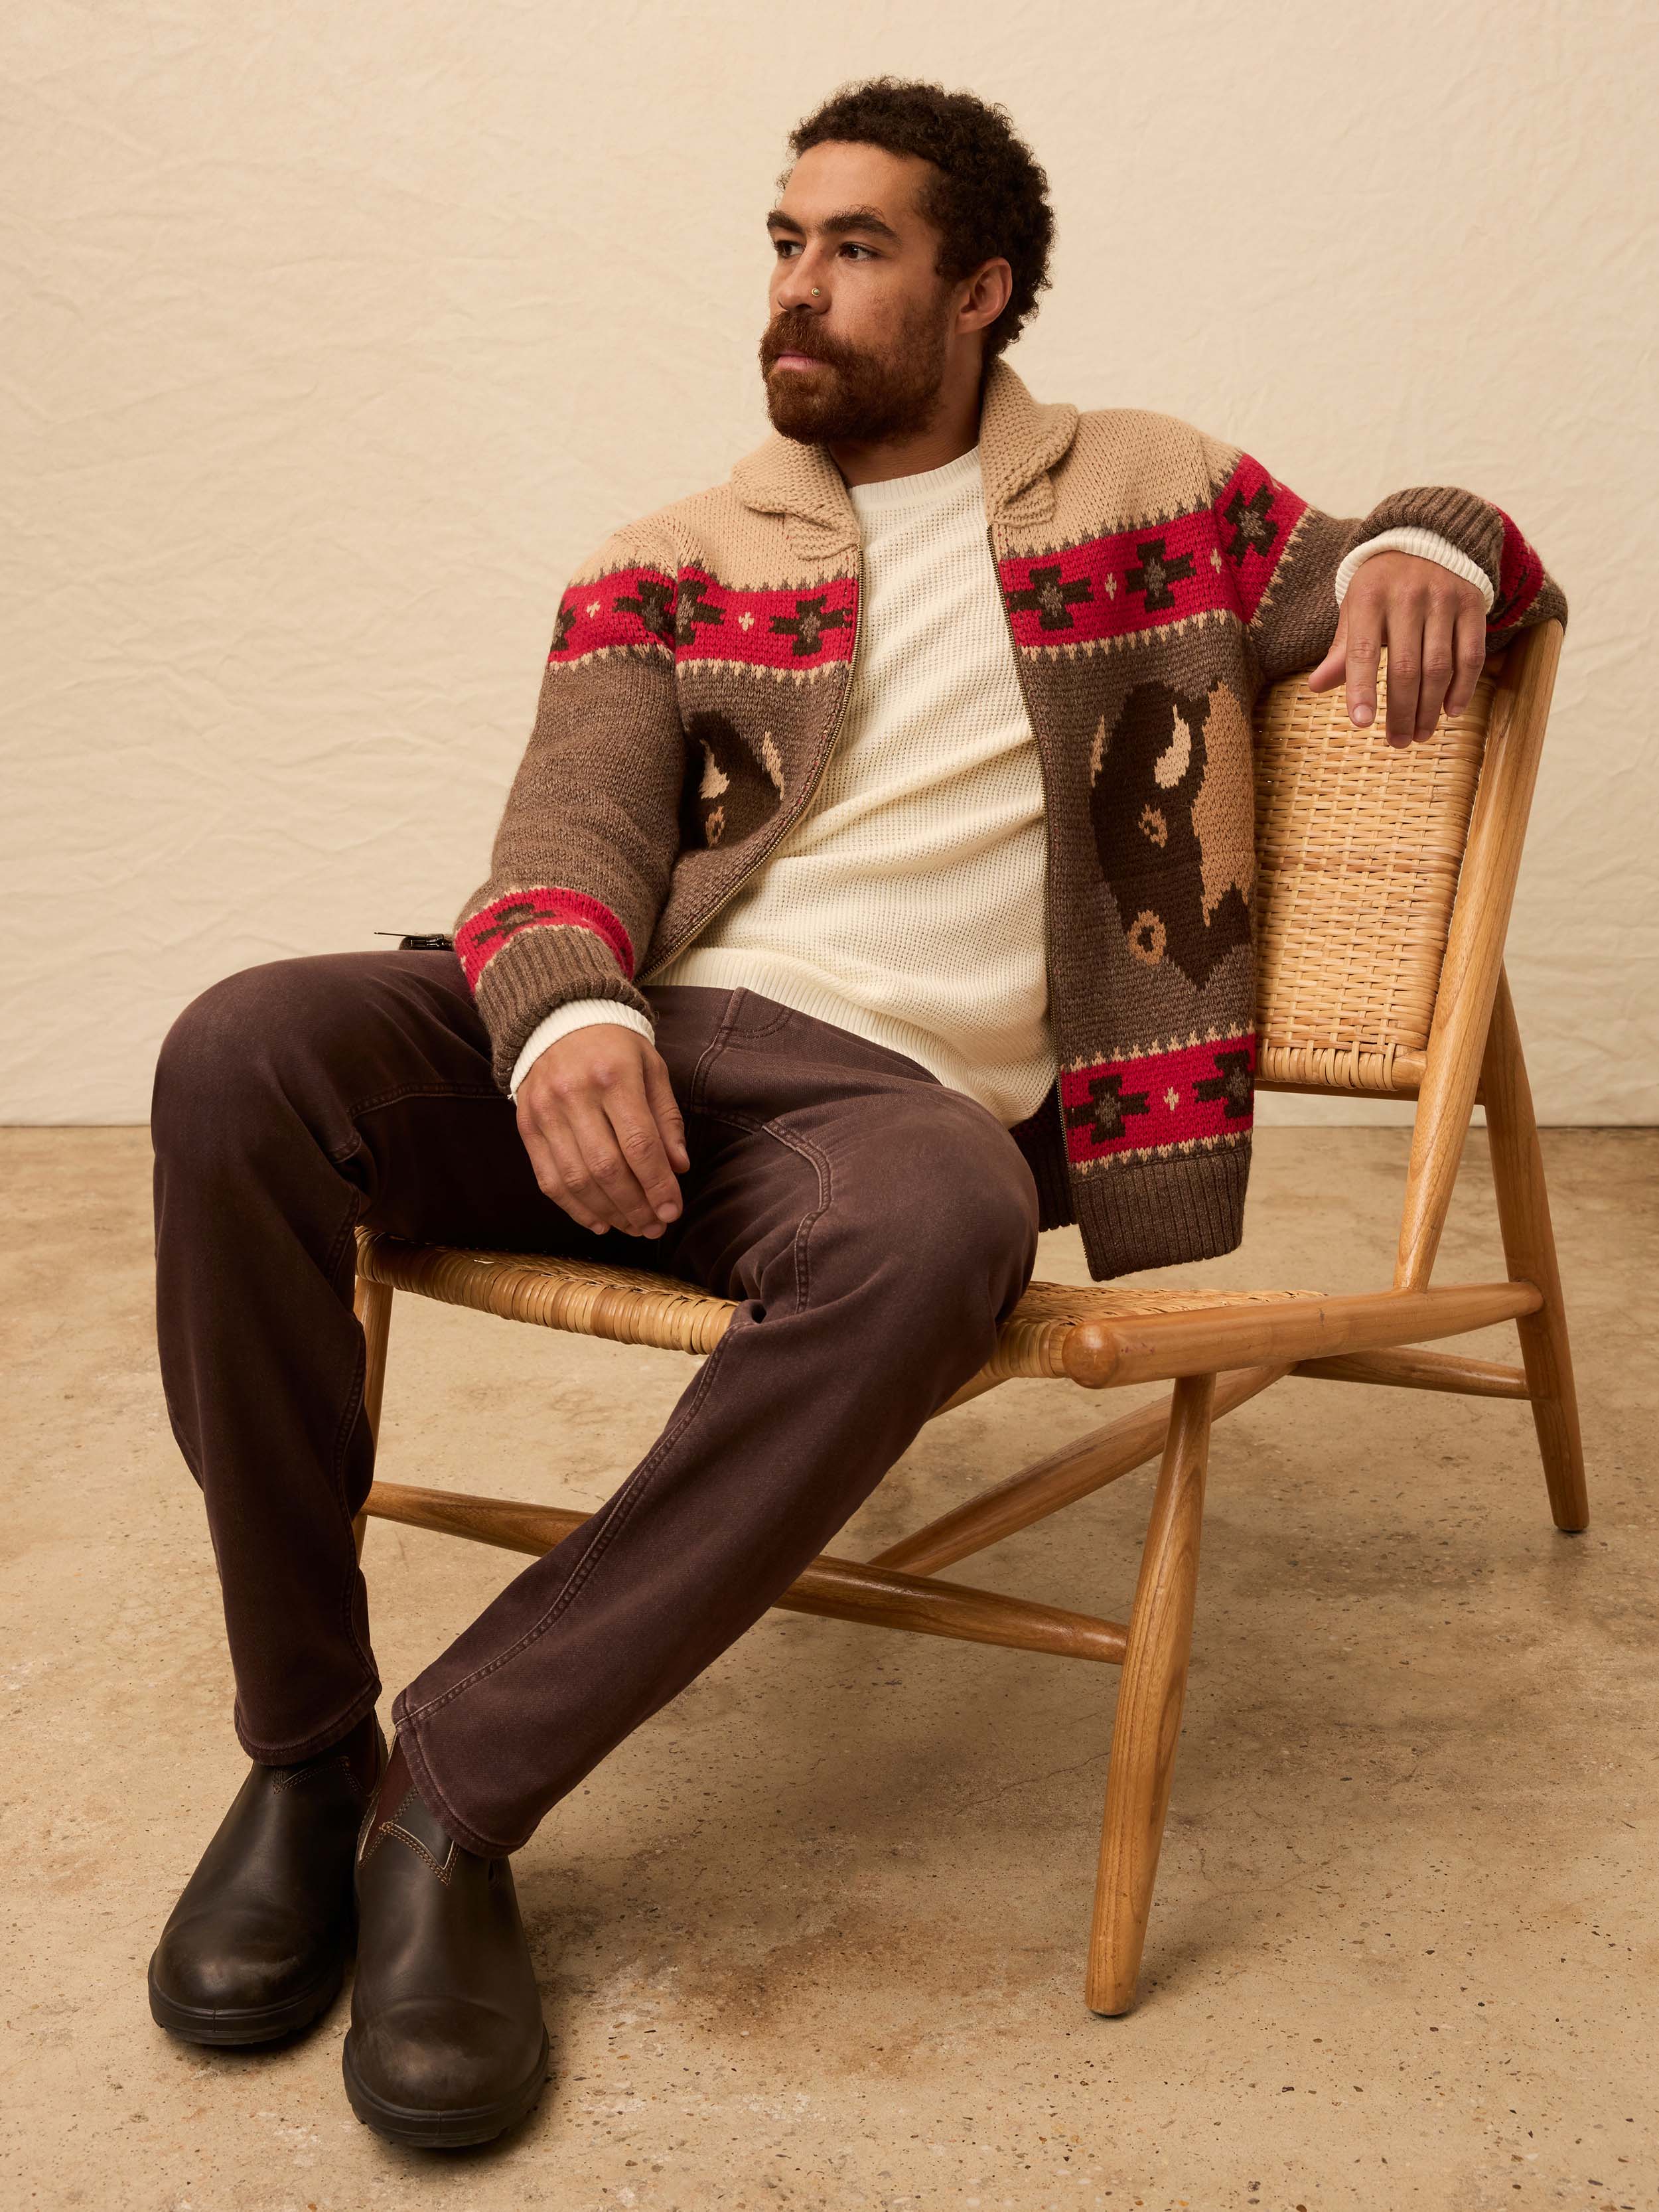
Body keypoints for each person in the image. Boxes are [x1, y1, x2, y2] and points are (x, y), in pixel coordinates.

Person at [145, 76, 1567, 2148]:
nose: (797, 289)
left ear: (981, 289)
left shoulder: (1158, 493)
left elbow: (1428, 569)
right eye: (784, 243)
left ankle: (448, 1795)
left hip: (878, 1113)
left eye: (857, 249)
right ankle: (298, 1753)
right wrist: (560, 1019)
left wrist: (1442, 531)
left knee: (931, 1224)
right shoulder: (676, 552)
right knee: (235, 1052)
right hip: (626, 1037)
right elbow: (560, 836)